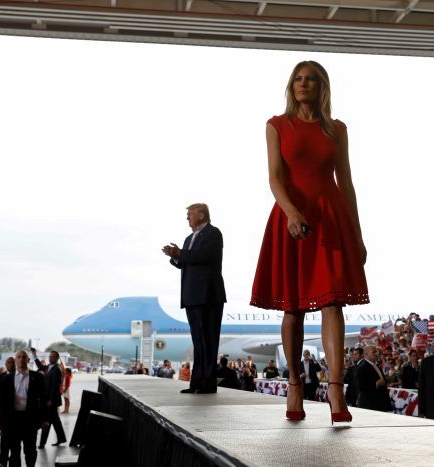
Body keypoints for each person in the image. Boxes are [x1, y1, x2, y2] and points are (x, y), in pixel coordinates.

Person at [250, 60, 368, 424]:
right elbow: (274, 177)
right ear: (291, 86)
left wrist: (358, 233)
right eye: (298, 80)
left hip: (331, 218)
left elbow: (345, 182)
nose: (303, 85)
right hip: (290, 216)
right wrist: (291, 213)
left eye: (311, 80)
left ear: (321, 87)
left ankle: (335, 389)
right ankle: (295, 384)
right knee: (294, 307)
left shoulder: (337, 129)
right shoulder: (277, 126)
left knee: (333, 304)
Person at [163, 203, 226, 394]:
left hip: (208, 295)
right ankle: (197, 383)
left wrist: (180, 253)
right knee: (198, 342)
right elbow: (186, 262)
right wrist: (175, 257)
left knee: (208, 341)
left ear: (201, 215)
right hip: (192, 296)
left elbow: (204, 256)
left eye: (190, 214)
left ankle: (208, 384)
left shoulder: (213, 233)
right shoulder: (189, 238)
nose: (187, 218)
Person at [0, 350, 48, 467]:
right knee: (14, 452)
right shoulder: (6, 379)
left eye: (24, 357)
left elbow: (43, 400)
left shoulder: (37, 377)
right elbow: (2, 404)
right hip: (12, 420)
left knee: (30, 451)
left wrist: (44, 419)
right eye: (19, 357)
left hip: (30, 420)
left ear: (28, 360)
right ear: (15, 360)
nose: (21, 359)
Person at [32, 349, 66, 448]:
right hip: (47, 399)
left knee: (46, 420)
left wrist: (50, 400)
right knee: (55, 420)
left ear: (57, 358)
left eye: (53, 356)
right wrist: (35, 355)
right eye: (50, 356)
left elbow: (55, 387)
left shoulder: (57, 370)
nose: (50, 358)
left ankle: (42, 443)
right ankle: (61, 438)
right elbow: (40, 367)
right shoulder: (47, 367)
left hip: (51, 400)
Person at [0, 357, 16, 467]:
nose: (11, 364)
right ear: (6, 364)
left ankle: (13, 461)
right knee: (4, 441)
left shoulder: (20, 377)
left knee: (15, 442)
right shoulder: (0, 377)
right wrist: (4, 398)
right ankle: (3, 462)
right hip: (5, 413)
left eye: (13, 362)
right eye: (9, 362)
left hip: (17, 414)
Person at [355, 346, 391, 412]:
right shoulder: (362, 367)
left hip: (380, 404)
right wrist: (376, 384)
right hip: (369, 405)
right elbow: (362, 386)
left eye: (376, 351)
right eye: (374, 352)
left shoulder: (377, 366)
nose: (377, 353)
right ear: (366, 354)